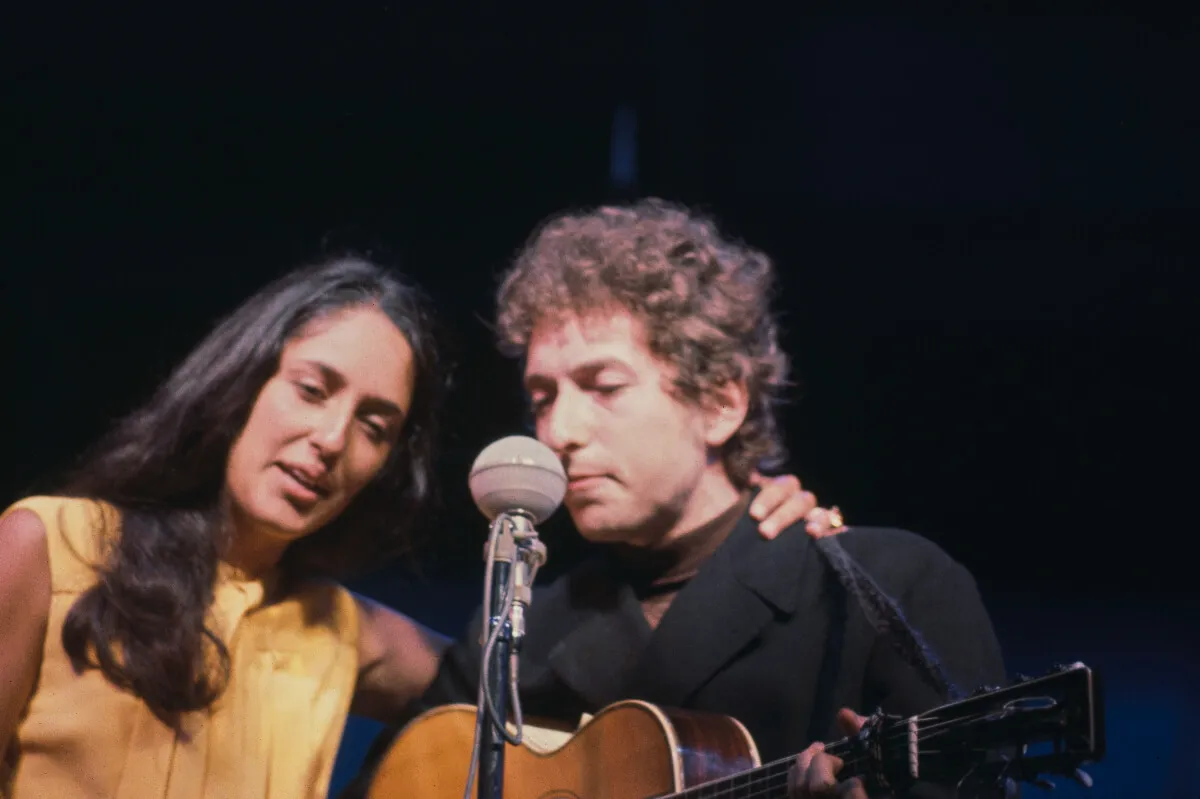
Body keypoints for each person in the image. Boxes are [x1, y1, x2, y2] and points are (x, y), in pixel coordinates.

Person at [0, 255, 826, 799]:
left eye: (375, 424)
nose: (330, 442)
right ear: (241, 378)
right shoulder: (46, 545)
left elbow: (547, 691)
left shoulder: (342, 630)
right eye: (312, 388)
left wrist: (751, 544)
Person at [346, 199, 1010, 799]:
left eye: (603, 386)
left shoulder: (892, 590)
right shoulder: (524, 629)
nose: (558, 432)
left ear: (721, 401)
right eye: (543, 396)